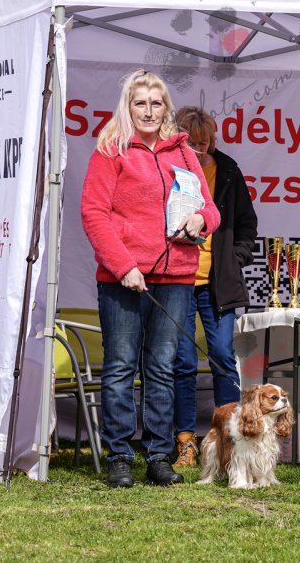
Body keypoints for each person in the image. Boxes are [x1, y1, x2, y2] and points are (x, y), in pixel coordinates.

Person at [81, 70, 220, 488]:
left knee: (162, 367)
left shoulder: (185, 154)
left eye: (156, 103)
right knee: (121, 367)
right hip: (123, 278)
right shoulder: (111, 150)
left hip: (175, 276)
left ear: (166, 108)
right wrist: (123, 266)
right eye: (140, 103)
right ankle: (120, 456)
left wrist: (201, 219)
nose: (148, 111)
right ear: (128, 107)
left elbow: (211, 210)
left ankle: (159, 456)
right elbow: (93, 213)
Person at [170, 106, 258, 468]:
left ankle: (230, 439)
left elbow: (247, 223)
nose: (201, 148)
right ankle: (185, 443)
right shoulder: (168, 167)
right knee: (183, 361)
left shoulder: (229, 170)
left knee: (222, 355)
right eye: (194, 142)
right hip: (176, 279)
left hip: (217, 282)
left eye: (206, 142)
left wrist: (234, 259)